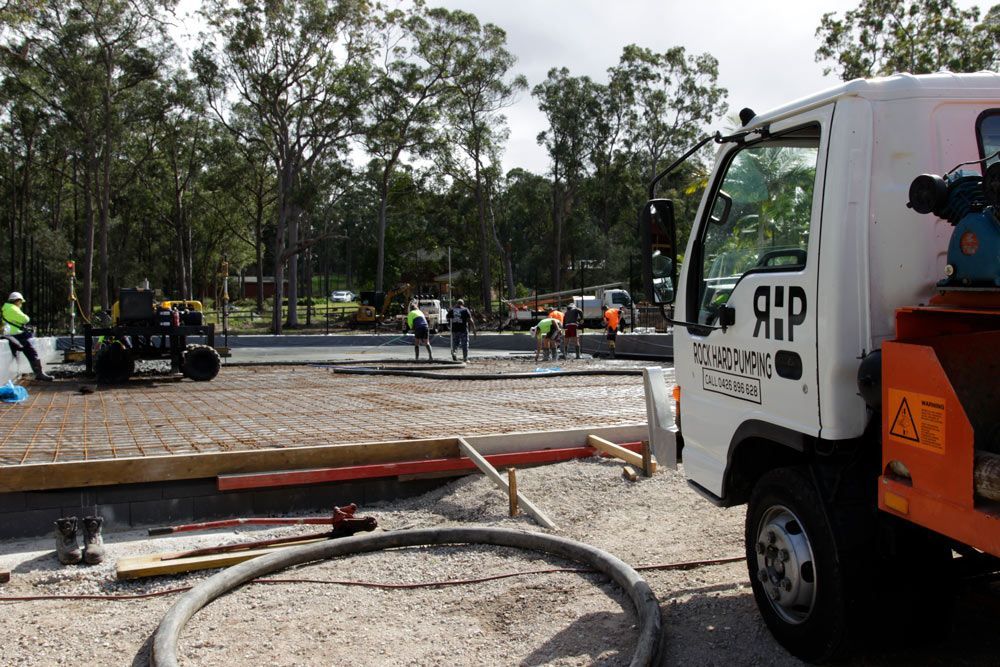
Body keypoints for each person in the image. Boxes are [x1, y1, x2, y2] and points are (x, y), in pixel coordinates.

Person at [2, 291, 53, 381]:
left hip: (10, 334)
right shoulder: (12, 308)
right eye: (20, 302)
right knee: (31, 351)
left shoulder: (5, 308)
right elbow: (25, 319)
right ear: (17, 301)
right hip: (15, 335)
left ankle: (38, 373)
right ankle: (39, 374)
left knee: (24, 352)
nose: (21, 304)